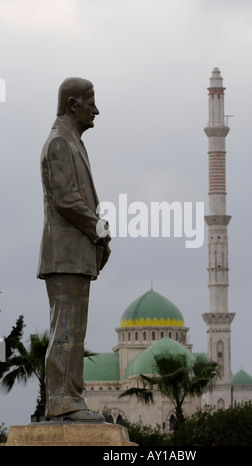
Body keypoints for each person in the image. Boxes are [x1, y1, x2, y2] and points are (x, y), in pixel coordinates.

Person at [37, 77, 111, 422]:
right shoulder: (59, 143)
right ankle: (62, 402)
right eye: (90, 102)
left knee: (73, 331)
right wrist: (100, 230)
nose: (95, 110)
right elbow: (67, 200)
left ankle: (71, 399)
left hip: (76, 255)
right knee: (66, 330)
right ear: (72, 105)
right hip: (65, 254)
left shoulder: (71, 142)